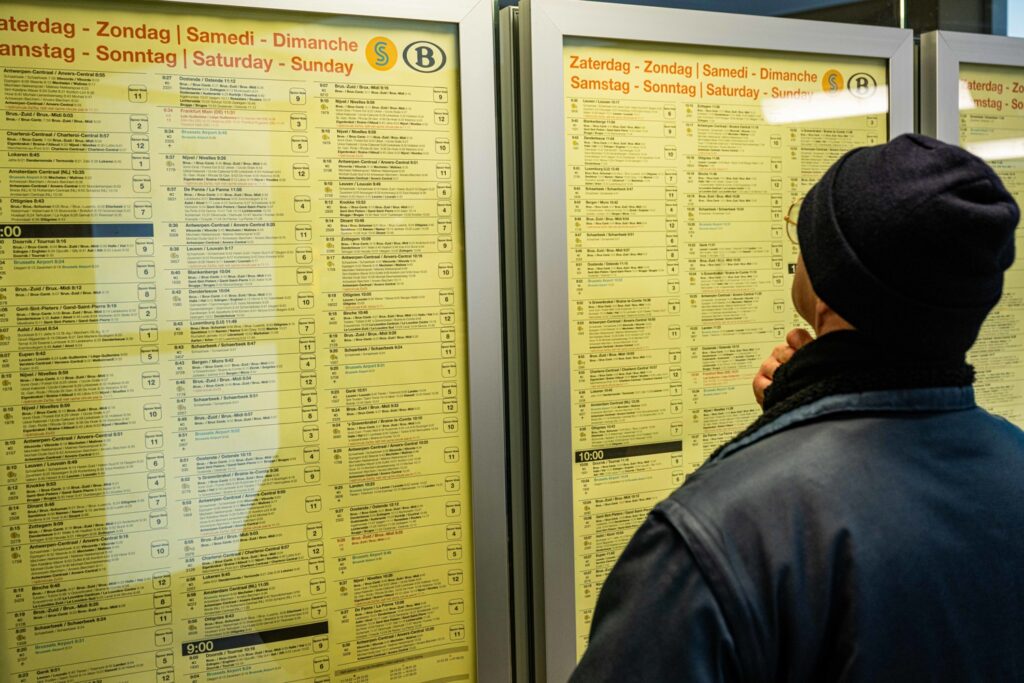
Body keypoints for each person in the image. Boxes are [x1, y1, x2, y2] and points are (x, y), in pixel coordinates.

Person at [570, 133, 1024, 682]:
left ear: (828, 284)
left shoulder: (715, 535)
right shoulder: (1013, 460)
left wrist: (788, 444)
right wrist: (798, 417)